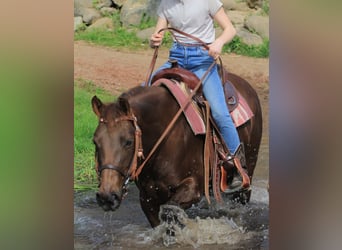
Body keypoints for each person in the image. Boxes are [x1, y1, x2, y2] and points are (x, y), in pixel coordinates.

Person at [149, 0, 248, 192]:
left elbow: (230, 29)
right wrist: (154, 40)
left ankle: (237, 167)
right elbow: (158, 34)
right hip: (176, 58)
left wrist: (218, 42)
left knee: (219, 113)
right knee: (144, 92)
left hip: (203, 61)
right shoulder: (166, 4)